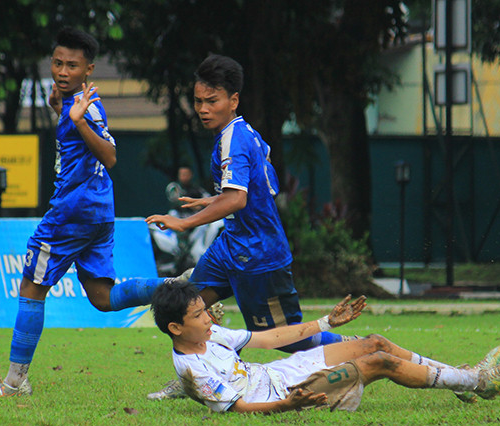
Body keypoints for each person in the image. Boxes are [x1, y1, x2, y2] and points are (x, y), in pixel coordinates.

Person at [0, 26, 184, 397]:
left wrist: (78, 119)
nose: (62, 71)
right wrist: (63, 112)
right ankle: (173, 288)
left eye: (72, 65)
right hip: (97, 211)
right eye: (57, 62)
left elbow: (110, 155)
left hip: (73, 211)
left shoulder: (88, 107)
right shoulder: (72, 102)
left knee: (30, 287)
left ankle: (14, 383)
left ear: (89, 69)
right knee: (103, 299)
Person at [144, 54, 348, 399]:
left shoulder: (233, 140)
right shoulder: (246, 133)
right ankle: (195, 377)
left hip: (258, 256)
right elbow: (261, 187)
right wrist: (212, 201)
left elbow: (238, 200)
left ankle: (362, 349)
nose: (203, 108)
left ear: (233, 100)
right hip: (230, 247)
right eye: (198, 101)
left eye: (213, 101)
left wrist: (185, 223)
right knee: (185, 309)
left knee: (287, 337)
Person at [150, 281, 500, 414]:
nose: (209, 318)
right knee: (379, 361)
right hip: (293, 393)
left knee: (374, 342)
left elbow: (269, 339)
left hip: (279, 374)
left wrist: (327, 323)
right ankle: (479, 382)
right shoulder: (192, 369)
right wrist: (288, 405)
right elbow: (240, 409)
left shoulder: (209, 336)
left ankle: (463, 380)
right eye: (199, 315)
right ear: (175, 327)